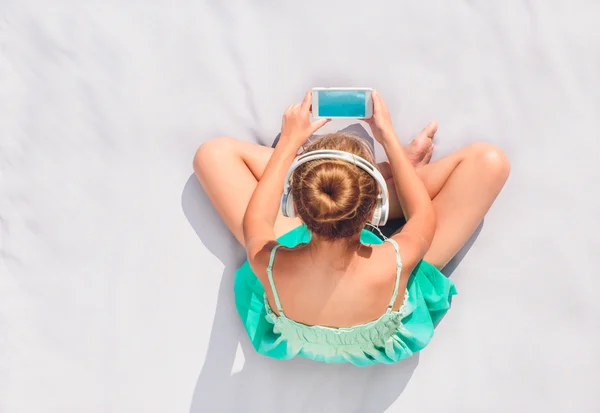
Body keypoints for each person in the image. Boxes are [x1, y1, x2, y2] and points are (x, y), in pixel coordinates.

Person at [194, 90, 510, 366]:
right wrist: (389, 141)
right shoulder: (397, 260)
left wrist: (289, 143)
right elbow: (420, 215)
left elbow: (258, 218)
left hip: (294, 311)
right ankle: (371, 183)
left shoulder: (270, 262)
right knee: (491, 161)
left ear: (294, 206)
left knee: (212, 155)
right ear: (377, 208)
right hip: (382, 316)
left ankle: (336, 183)